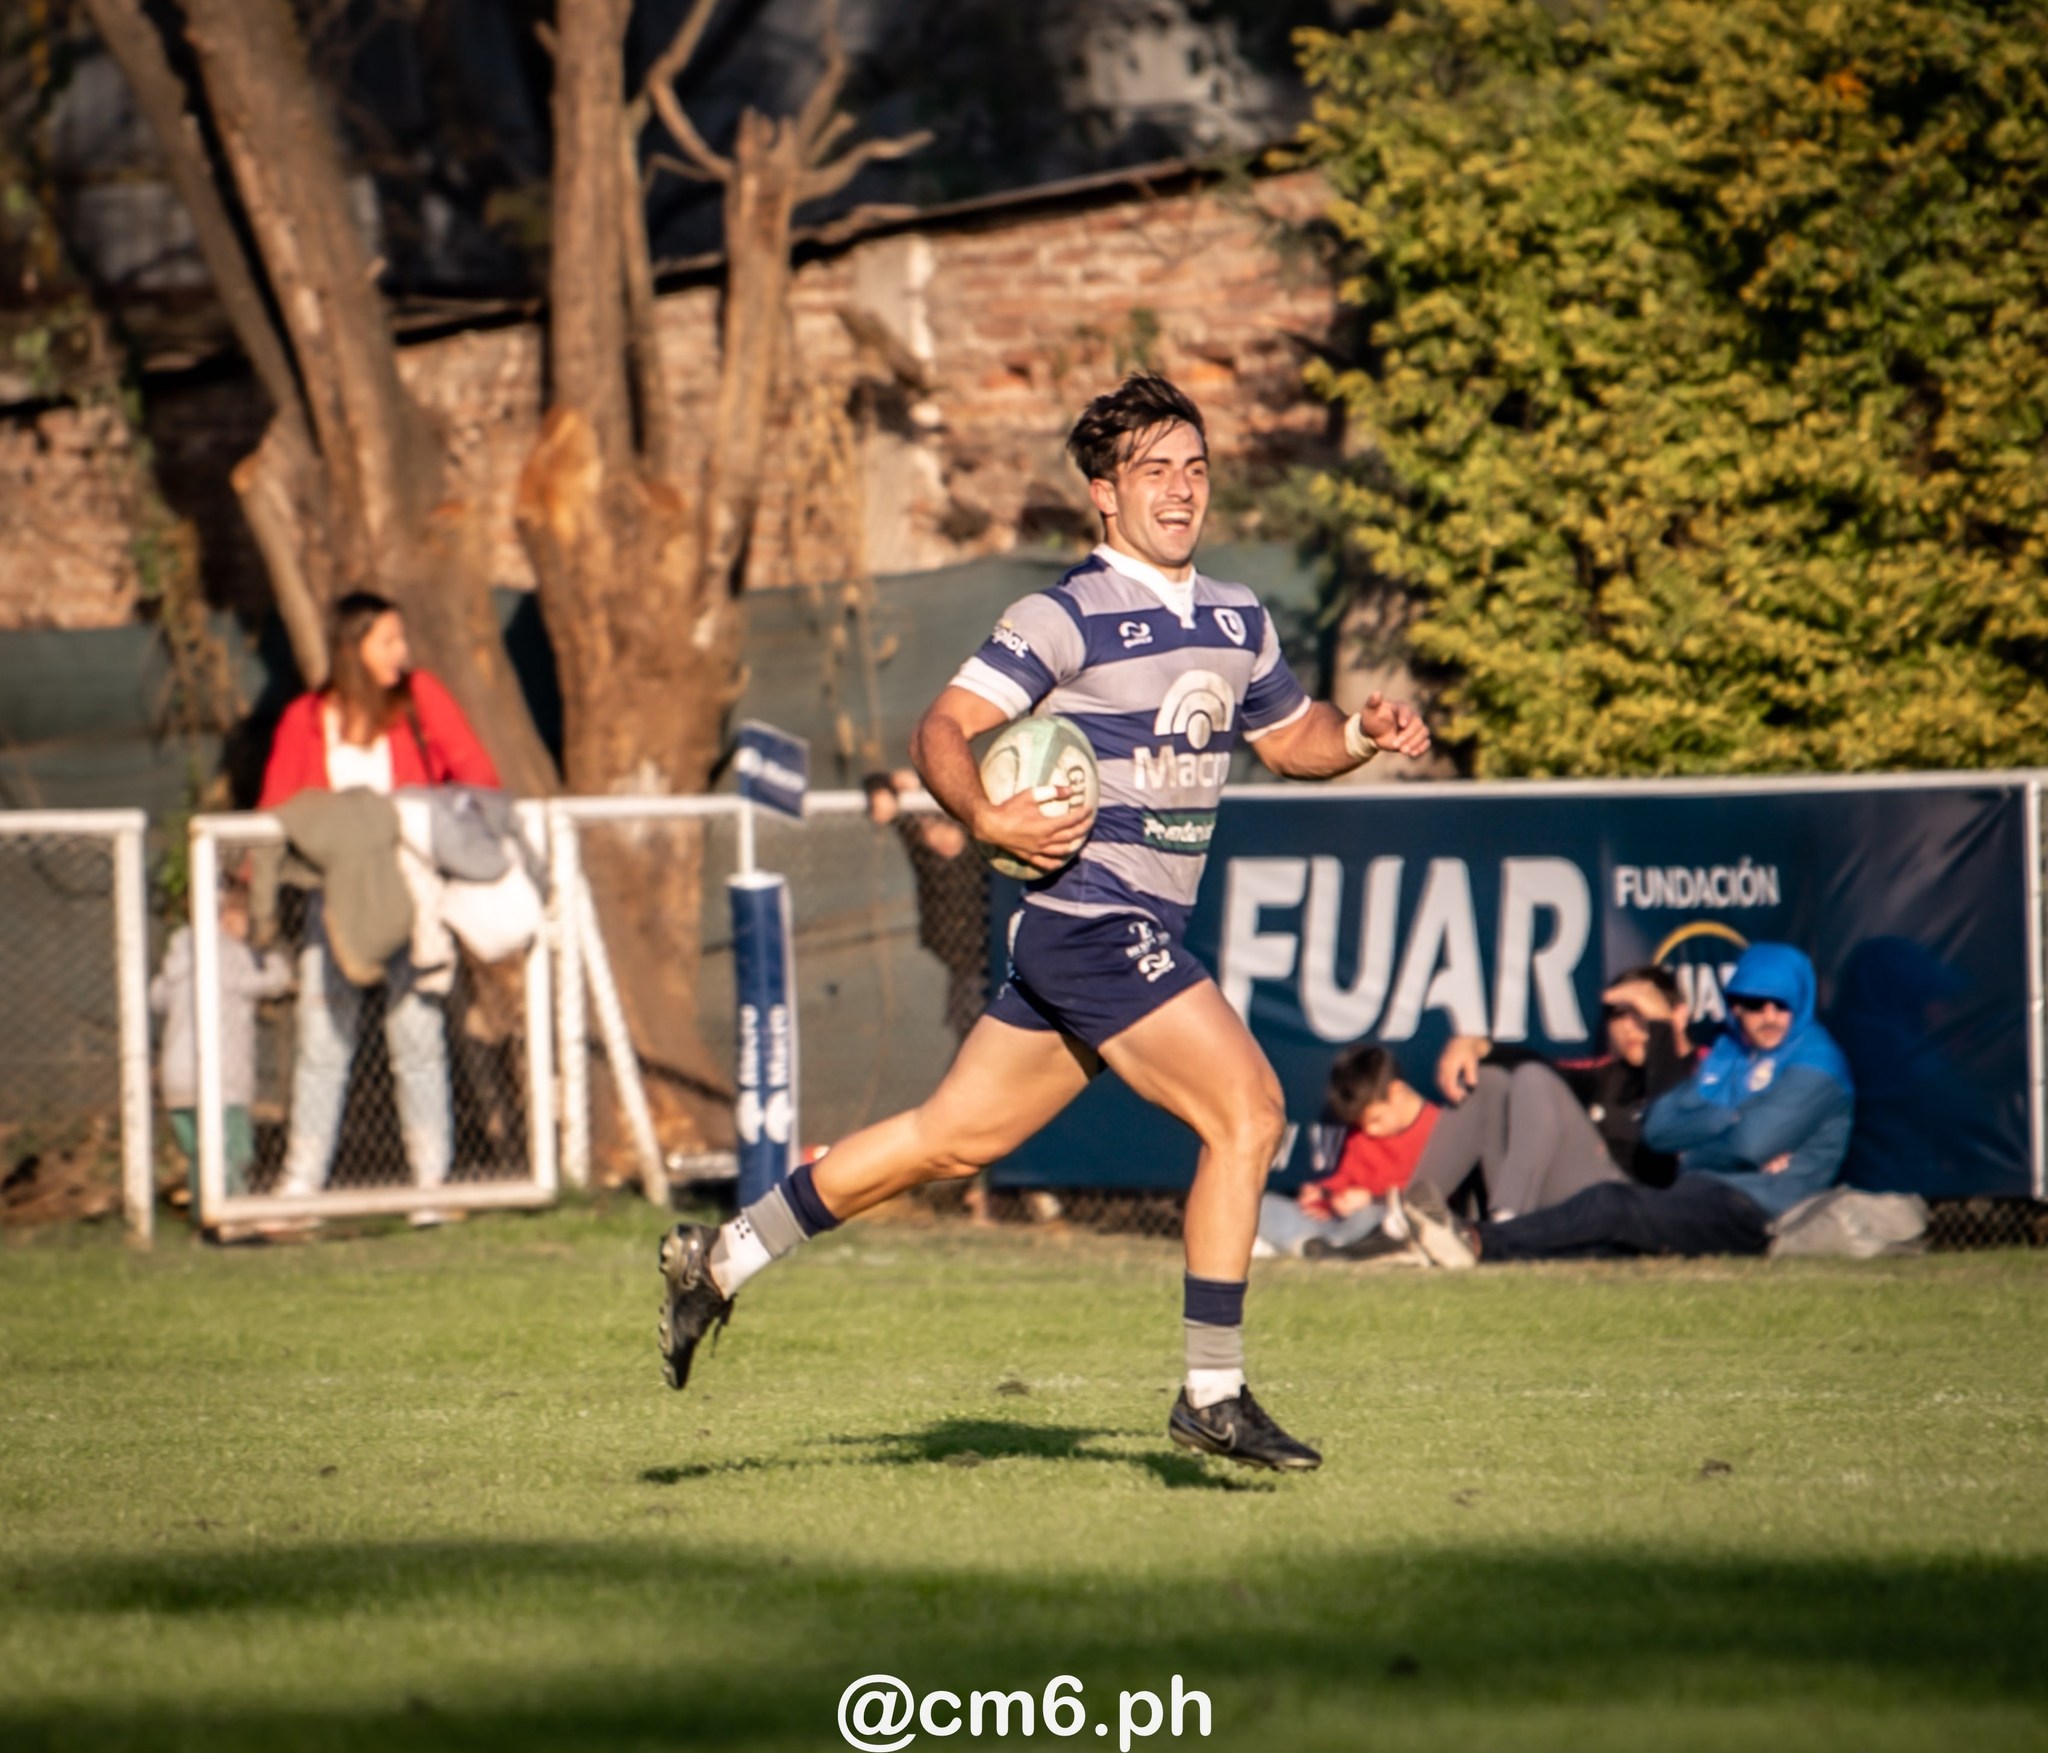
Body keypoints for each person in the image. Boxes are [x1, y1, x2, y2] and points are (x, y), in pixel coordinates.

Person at [659, 374, 1432, 1471]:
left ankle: (722, 1256)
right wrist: (981, 810)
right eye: (1152, 470)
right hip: (1087, 917)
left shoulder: (1234, 615)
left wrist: (1357, 729)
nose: (1179, 489)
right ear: (1102, 496)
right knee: (1247, 1110)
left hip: (1115, 930)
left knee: (952, 1138)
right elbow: (946, 725)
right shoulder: (1060, 614)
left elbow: (1290, 736)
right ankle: (1211, 1391)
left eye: (1194, 468)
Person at [257, 590, 500, 1224]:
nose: (402, 653)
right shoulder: (309, 717)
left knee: (417, 1038)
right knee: (321, 1040)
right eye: (388, 640)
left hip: (413, 898)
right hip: (335, 902)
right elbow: (276, 808)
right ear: (354, 645)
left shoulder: (419, 699)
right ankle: (301, 1189)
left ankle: (430, 1187)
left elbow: (477, 776)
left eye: (401, 639)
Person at [1402, 943, 1854, 1268]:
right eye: (1754, 1004)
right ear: (1735, 1007)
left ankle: (1476, 1239)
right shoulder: (1732, 1054)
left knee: (1609, 1206)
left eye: (1782, 1004)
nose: (1769, 1015)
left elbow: (1748, 1144)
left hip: (1753, 1212)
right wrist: (1731, 1125)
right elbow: (1662, 1130)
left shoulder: (1815, 1061)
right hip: (1694, 1194)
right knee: (1600, 1240)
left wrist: (1718, 1137)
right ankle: (1415, 1230)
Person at [1412, 966, 1695, 1221]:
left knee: (1534, 1077)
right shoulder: (1607, 1077)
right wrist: (1479, 1046)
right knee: (1488, 1080)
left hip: (1638, 1212)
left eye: (1643, 1013)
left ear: (1678, 1015)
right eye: (1619, 1014)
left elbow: (1671, 1127)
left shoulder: (1706, 1073)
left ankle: (1508, 1225)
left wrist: (1661, 1031)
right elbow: (1542, 1073)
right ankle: (1409, 1219)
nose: (1630, 1026)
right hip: (1571, 1206)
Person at [151, 881, 294, 1230]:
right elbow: (266, 984)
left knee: (200, 1155)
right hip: (221, 1078)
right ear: (228, 915)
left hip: (177, 1078)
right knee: (232, 1153)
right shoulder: (229, 952)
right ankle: (232, 1219)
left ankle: (205, 1217)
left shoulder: (178, 954)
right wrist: (275, 960)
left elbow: (157, 999)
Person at [1255, 1044, 1439, 1260]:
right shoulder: (1361, 1134)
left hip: (1386, 1221)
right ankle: (1313, 1246)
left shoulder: (1440, 1129)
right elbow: (1346, 1178)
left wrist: (1375, 1200)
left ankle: (1314, 1246)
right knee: (1263, 1205)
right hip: (1342, 1225)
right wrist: (1323, 1195)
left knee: (1372, 1216)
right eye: (1362, 1124)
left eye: (1375, 1119)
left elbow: (1436, 1199)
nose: (1369, 1130)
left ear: (1396, 1092)